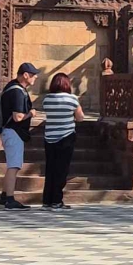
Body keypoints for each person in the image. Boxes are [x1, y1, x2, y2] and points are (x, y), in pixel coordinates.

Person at [40, 72, 85, 211]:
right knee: (61, 170)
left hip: (49, 138)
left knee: (50, 169)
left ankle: (47, 200)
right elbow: (80, 117)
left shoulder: (47, 99)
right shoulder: (72, 99)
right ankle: (57, 200)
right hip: (66, 136)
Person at [0, 62, 40, 211]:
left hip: (9, 131)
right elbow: (18, 117)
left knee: (12, 165)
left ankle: (4, 196)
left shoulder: (11, 87)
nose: (35, 77)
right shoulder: (17, 92)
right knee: (14, 166)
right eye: (33, 75)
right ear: (25, 75)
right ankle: (10, 200)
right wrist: (31, 114)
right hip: (14, 132)